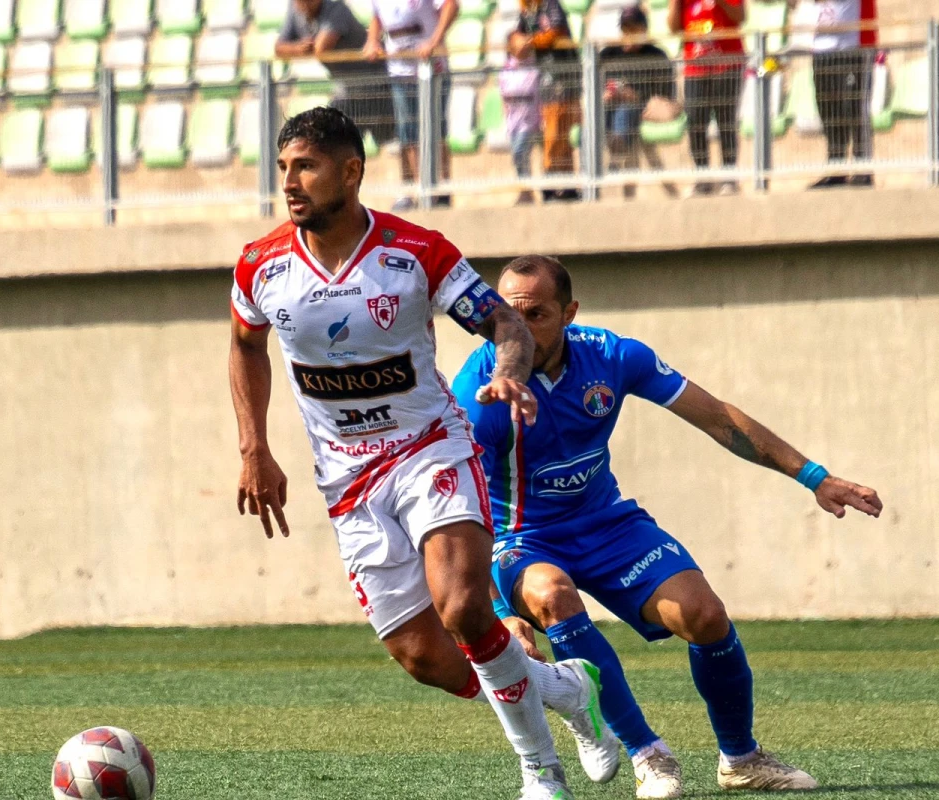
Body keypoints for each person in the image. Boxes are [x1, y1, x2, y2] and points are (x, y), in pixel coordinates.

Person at [228, 108, 619, 800]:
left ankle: (541, 771)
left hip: (428, 450)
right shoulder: (261, 266)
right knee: (422, 656)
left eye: (307, 167)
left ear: (351, 172)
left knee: (465, 607)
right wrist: (254, 447)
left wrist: (511, 370)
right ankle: (564, 688)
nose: (290, 182)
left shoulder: (414, 253)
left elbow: (501, 320)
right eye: (284, 167)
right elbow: (245, 345)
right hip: (346, 478)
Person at [453, 256, 884, 798]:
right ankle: (646, 753)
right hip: (521, 538)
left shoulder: (612, 356)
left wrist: (815, 477)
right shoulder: (481, 394)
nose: (516, 329)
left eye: (535, 314)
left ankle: (741, 758)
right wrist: (498, 613)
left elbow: (718, 418)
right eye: (504, 317)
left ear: (570, 313)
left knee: (704, 615)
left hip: (606, 522)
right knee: (553, 595)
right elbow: (463, 512)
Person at [364, 0, 458, 211]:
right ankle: (419, 188)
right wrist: (372, 41)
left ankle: (442, 189)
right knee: (408, 133)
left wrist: (434, 41)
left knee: (436, 129)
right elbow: (377, 18)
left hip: (432, 68)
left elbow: (451, 7)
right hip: (400, 71)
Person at [275, 0, 394, 144]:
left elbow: (321, 47)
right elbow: (278, 48)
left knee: (399, 142)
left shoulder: (337, 8)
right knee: (333, 141)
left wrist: (296, 48)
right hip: (347, 91)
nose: (304, 4)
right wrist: (298, 48)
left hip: (376, 87)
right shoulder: (295, 9)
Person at [788, 0, 878, 188]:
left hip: (853, 46)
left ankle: (863, 168)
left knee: (854, 108)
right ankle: (836, 168)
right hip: (822, 48)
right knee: (828, 110)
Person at [597, 6, 678, 198]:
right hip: (609, 111)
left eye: (634, 28)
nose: (629, 34)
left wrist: (635, 96)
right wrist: (605, 95)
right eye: (625, 29)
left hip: (640, 109)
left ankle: (616, 157)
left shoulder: (656, 55)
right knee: (605, 115)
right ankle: (611, 156)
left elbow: (665, 94)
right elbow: (595, 87)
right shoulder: (608, 54)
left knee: (626, 110)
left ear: (644, 29)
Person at [668, 0, 745, 196]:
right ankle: (702, 177)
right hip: (695, 68)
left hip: (726, 65)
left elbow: (740, 17)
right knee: (695, 122)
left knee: (726, 120)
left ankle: (729, 177)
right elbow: (673, 27)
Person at [510, 0, 581, 203]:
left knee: (560, 133)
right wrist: (519, 40)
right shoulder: (527, 10)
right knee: (552, 132)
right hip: (546, 80)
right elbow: (517, 35)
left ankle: (564, 185)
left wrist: (532, 41)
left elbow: (556, 31)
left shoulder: (550, 5)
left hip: (564, 76)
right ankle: (552, 185)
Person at [498, 37, 542, 205]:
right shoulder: (506, 70)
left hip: (530, 121)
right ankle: (525, 190)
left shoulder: (533, 67)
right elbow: (504, 96)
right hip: (513, 122)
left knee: (519, 152)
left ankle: (527, 190)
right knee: (518, 156)